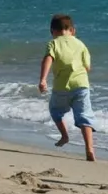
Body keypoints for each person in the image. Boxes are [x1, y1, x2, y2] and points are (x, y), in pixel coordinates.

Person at [38, 13, 96, 162]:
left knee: (55, 110)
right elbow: (88, 67)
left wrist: (43, 79)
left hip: (61, 87)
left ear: (52, 31)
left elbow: (48, 59)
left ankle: (64, 135)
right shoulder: (81, 44)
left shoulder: (53, 43)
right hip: (81, 86)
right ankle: (89, 148)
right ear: (73, 30)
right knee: (84, 116)